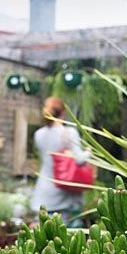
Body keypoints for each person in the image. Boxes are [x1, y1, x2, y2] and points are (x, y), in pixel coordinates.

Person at [31, 96, 90, 224]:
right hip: (65, 195)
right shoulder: (69, 133)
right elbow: (79, 160)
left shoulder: (39, 134)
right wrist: (88, 153)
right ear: (63, 113)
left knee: (45, 235)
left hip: (44, 191)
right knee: (69, 236)